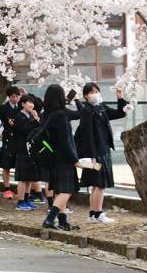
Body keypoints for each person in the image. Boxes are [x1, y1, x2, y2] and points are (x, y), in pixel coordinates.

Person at [76, 82, 127, 224]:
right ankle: (98, 214)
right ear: (86, 96)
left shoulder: (101, 107)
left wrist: (120, 98)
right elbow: (87, 134)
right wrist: (92, 156)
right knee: (99, 184)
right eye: (91, 92)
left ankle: (93, 214)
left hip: (103, 150)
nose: (95, 94)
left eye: (96, 91)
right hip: (96, 153)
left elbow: (120, 113)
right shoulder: (87, 110)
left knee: (96, 185)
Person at [41, 84, 81, 231]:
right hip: (63, 158)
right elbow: (65, 141)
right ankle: (50, 220)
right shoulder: (61, 115)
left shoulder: (46, 115)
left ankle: (63, 221)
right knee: (66, 190)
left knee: (60, 191)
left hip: (52, 157)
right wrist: (74, 160)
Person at [13, 95, 42, 211]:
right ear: (23, 104)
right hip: (22, 150)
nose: (31, 105)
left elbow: (37, 129)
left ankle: (27, 200)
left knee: (29, 178)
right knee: (23, 179)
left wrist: (36, 119)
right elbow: (25, 130)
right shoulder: (19, 116)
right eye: (29, 102)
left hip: (31, 150)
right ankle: (20, 202)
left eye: (33, 103)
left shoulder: (30, 115)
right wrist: (35, 120)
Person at [0, 86, 20, 199]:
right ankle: (7, 188)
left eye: (17, 96)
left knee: (19, 165)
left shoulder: (21, 107)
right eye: (13, 96)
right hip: (7, 138)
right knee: (6, 165)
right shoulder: (3, 108)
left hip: (19, 138)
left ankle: (21, 189)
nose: (15, 99)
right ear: (9, 97)